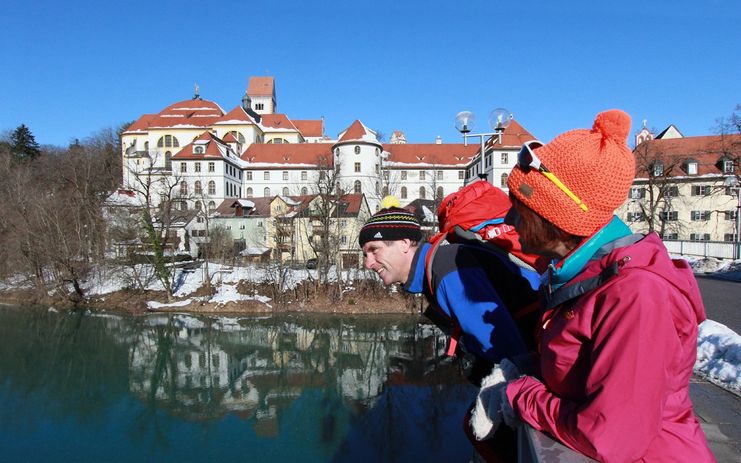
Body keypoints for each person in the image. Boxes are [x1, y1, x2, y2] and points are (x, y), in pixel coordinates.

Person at [471, 109, 714, 462]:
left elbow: (610, 437)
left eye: (520, 206)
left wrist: (517, 396)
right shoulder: (583, 278)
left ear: (556, 216)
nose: (509, 220)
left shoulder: (636, 294)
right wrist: (522, 367)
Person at [359, 197, 541, 369]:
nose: (368, 263)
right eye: (365, 255)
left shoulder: (448, 270)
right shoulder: (436, 268)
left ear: (404, 243)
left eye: (374, 250)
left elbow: (509, 355)